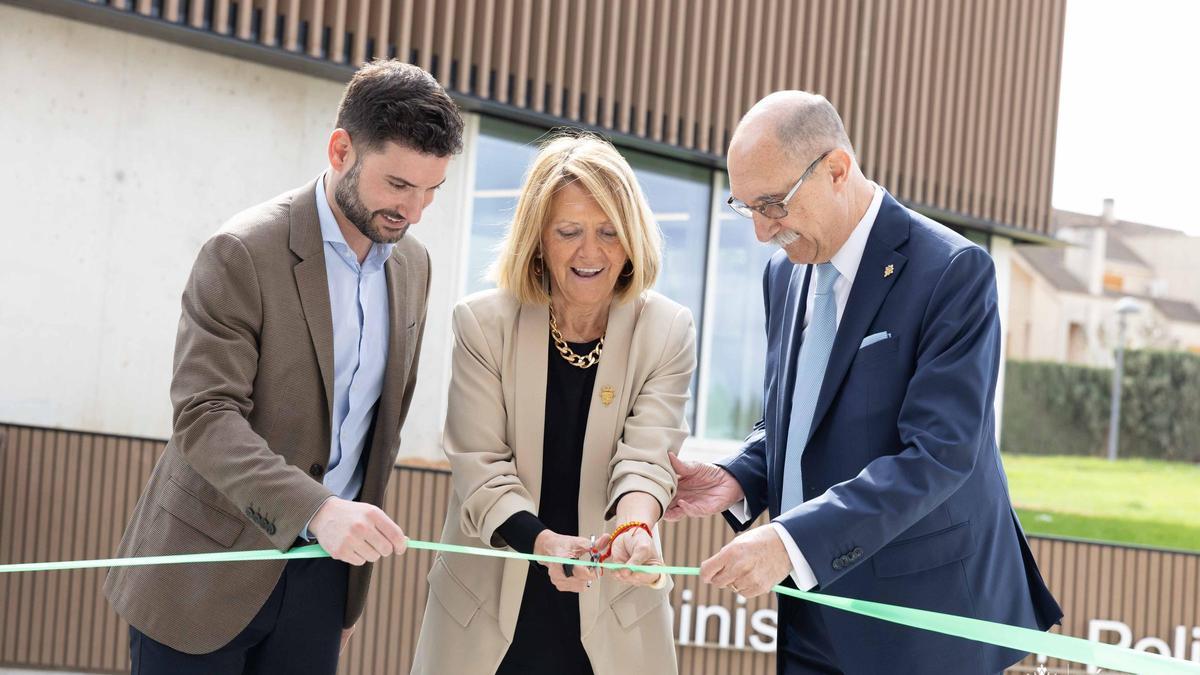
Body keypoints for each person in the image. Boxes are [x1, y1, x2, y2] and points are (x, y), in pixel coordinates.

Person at [665, 91, 1062, 674]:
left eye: (772, 204)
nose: (760, 232)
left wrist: (788, 542)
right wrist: (740, 474)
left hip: (921, 621)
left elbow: (939, 455)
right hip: (809, 608)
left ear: (836, 170)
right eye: (744, 206)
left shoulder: (953, 272)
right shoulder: (785, 272)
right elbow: (799, 412)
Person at [103, 60, 463, 673]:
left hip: (322, 582)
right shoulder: (241, 251)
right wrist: (317, 511)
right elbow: (204, 417)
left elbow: (380, 428)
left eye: (432, 190)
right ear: (341, 149)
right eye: (399, 185)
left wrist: (341, 599)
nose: (416, 210)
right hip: (204, 573)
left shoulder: (414, 267)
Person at [411, 133, 694, 675]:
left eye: (610, 232)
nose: (591, 252)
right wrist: (541, 544)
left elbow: (648, 458)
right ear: (538, 239)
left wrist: (634, 531)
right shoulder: (483, 324)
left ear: (633, 238)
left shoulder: (666, 330)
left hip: (613, 609)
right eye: (570, 232)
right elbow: (481, 467)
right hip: (489, 609)